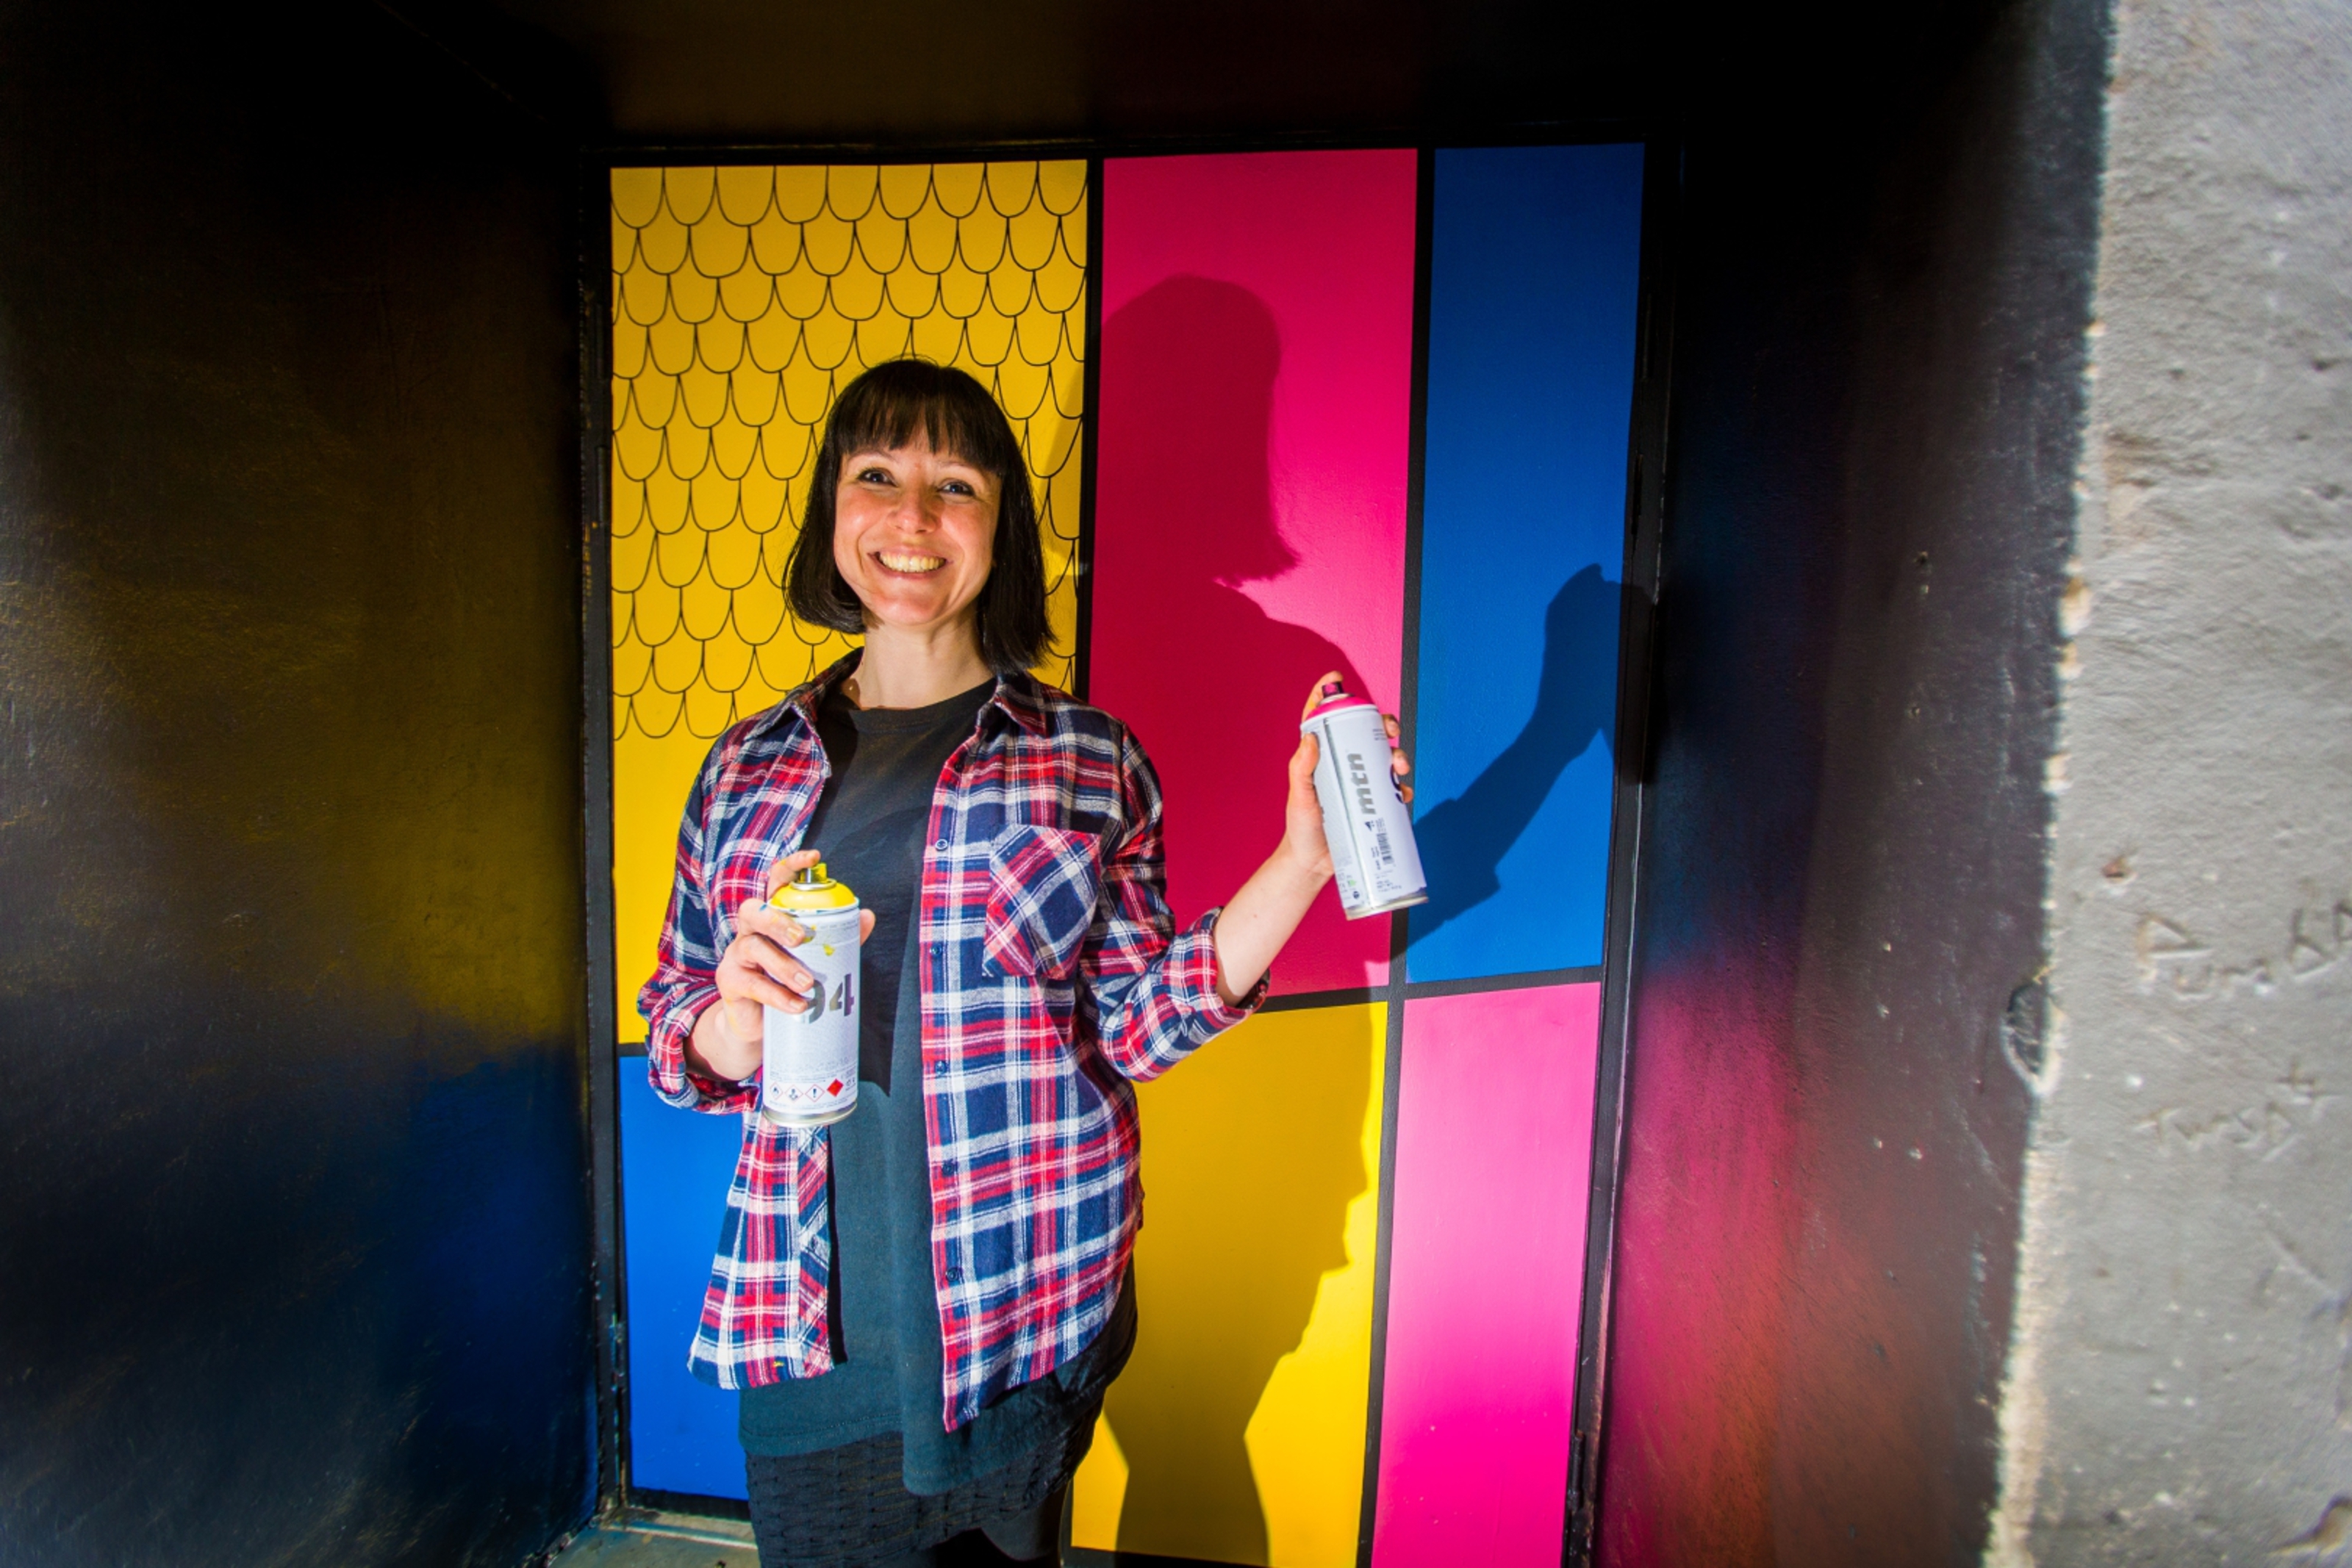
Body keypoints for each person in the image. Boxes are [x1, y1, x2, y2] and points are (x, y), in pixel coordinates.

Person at [639, 358, 1410, 1568]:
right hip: (810, 1328)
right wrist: (721, 1033)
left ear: (1000, 526)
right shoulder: (743, 770)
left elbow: (1139, 1021)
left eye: (956, 484)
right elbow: (676, 1018)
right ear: (831, 513)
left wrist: (1304, 862)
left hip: (1029, 1301)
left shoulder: (1087, 757)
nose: (911, 517)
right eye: (878, 475)